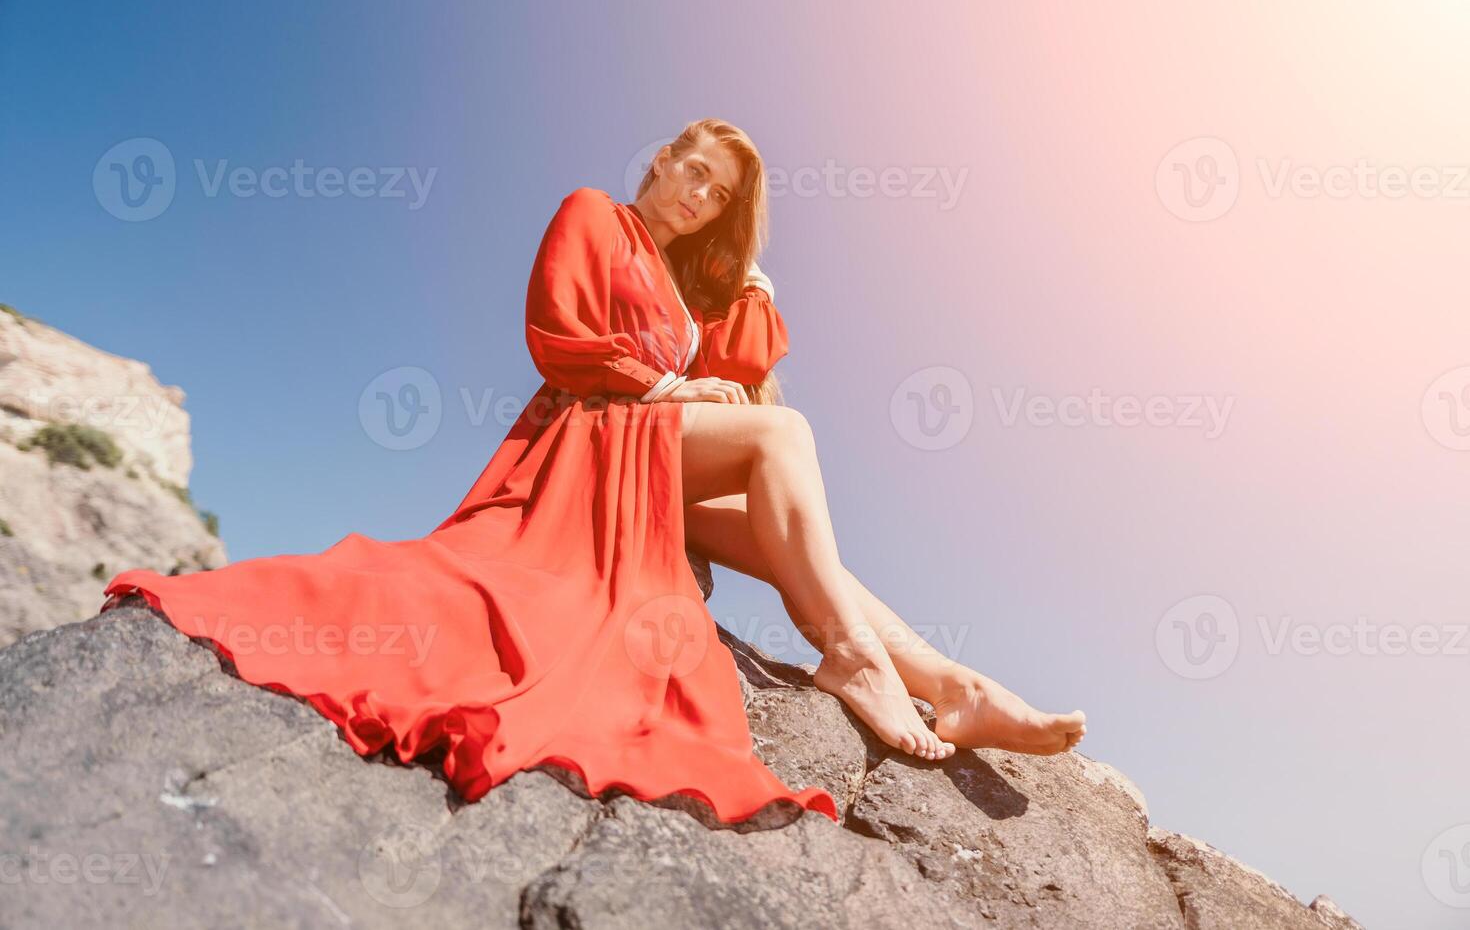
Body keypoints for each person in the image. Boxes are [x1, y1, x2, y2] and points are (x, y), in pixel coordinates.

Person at [102, 117, 1084, 828]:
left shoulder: (690, 291)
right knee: (786, 443)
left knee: (782, 518)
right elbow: (558, 337)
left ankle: (952, 680)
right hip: (582, 441)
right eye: (689, 172)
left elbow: (742, 384)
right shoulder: (593, 214)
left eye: (716, 195)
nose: (695, 194)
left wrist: (747, 289)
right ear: (659, 161)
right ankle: (858, 659)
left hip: (647, 462)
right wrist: (672, 383)